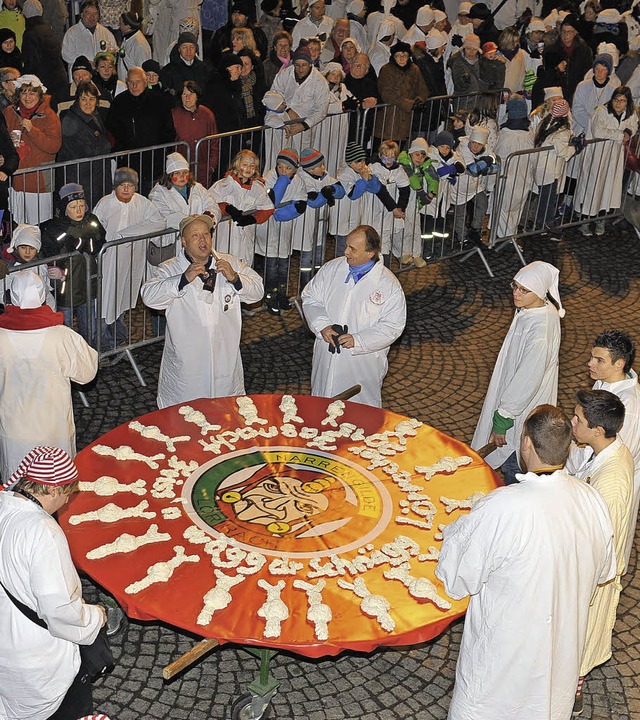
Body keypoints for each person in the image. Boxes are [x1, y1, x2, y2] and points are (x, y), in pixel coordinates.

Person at [436, 404, 616, 720]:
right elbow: (604, 570)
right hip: (558, 657)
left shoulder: (503, 507)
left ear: (527, 444)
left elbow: (456, 577)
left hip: (502, 665)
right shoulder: (592, 500)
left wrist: (456, 530)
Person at [0, 446, 106, 719]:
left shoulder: (4, 504)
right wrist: (96, 616)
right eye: (69, 492)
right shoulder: (44, 532)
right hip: (35, 658)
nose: (68, 500)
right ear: (54, 490)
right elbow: (59, 610)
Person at [140, 214, 264, 408]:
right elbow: (149, 296)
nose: (203, 240)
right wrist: (182, 279)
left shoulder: (228, 262)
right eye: (195, 236)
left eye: (206, 234)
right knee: (186, 419)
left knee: (226, 416)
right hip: (188, 365)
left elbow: (257, 292)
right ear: (183, 241)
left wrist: (235, 278)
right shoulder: (170, 268)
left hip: (225, 359)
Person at [566, 389, 634, 716]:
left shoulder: (612, 483)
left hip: (593, 578)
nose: (572, 422)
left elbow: (601, 545)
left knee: (579, 639)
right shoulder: (604, 451)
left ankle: (570, 696)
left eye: (577, 419)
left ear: (598, 430)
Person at [471, 261, 564, 482]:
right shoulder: (534, 310)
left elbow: (527, 379)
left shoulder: (540, 331)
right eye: (515, 286)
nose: (516, 293)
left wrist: (504, 418)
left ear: (540, 292)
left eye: (524, 290)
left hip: (519, 414)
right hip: (516, 405)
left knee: (515, 463)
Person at [0, 271, 98, 480]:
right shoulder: (62, 336)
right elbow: (87, 373)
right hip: (55, 431)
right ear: (43, 296)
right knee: (58, 487)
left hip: (14, 431)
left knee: (18, 487)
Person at [301, 224, 406, 407]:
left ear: (370, 253)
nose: (346, 252)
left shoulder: (388, 285)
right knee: (321, 406)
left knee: (358, 414)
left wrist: (358, 340)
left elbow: (392, 326)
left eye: (353, 249)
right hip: (326, 357)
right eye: (347, 246)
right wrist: (322, 325)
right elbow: (310, 297)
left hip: (361, 365)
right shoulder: (332, 269)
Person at [586, 330, 640, 570]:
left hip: (610, 480)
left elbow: (615, 452)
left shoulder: (629, 405)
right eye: (592, 357)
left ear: (619, 364)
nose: (590, 363)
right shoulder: (603, 383)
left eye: (599, 360)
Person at [40, 183, 106, 343]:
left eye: (82, 205)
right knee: (65, 330)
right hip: (65, 287)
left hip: (87, 283)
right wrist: (53, 268)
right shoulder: (54, 227)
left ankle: (89, 356)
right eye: (73, 206)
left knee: (89, 327)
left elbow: (97, 244)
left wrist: (78, 242)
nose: (79, 211)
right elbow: (49, 252)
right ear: (64, 208)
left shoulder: (92, 221)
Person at [576, 85, 638, 237]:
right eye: (616, 100)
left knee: (607, 188)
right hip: (597, 156)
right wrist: (620, 135)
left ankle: (600, 220)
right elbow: (599, 131)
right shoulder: (601, 112)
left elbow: (633, 125)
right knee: (592, 187)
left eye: (623, 101)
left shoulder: (629, 114)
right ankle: (585, 221)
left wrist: (628, 132)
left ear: (627, 102)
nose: (618, 104)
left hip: (613, 158)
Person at [106, 66, 176, 195]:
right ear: (126, 83)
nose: (134, 85)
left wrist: (163, 153)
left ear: (145, 82)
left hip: (154, 163)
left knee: (154, 199)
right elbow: (111, 129)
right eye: (131, 82)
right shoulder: (119, 102)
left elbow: (169, 131)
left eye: (137, 82)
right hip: (128, 163)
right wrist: (119, 151)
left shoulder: (159, 101)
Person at [3, 73, 61, 224]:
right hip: (15, 180)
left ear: (40, 94)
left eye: (32, 92)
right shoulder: (9, 112)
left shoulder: (49, 115)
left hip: (39, 182)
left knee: (39, 226)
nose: (27, 97)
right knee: (17, 224)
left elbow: (54, 146)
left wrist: (32, 130)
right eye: (23, 92)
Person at [208, 149, 274, 266]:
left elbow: (267, 208)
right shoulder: (222, 185)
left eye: (252, 166)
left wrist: (252, 219)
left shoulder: (258, 188)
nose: (248, 169)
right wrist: (226, 208)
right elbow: (209, 203)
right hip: (223, 238)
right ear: (237, 165)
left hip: (245, 240)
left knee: (243, 272)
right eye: (245, 165)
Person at [57, 80, 112, 208]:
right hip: (80, 178)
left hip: (97, 175)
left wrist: (102, 144)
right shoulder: (70, 121)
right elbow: (84, 152)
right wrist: (105, 145)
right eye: (83, 99)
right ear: (77, 100)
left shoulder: (95, 115)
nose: (88, 103)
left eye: (92, 99)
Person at [375, 40, 428, 144]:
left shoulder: (414, 69)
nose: (401, 59)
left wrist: (419, 100)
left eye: (404, 55)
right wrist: (410, 104)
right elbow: (387, 94)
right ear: (393, 56)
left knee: (401, 149)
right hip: (389, 118)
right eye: (398, 56)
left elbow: (422, 89)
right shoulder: (386, 70)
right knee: (386, 148)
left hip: (406, 120)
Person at [20, 0, 67, 107]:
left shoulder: (30, 33)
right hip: (57, 78)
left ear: (24, 13)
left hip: (43, 82)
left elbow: (30, 62)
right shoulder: (47, 29)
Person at [172, 80, 218, 186]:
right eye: (184, 94)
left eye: (191, 94)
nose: (187, 97)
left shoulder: (207, 114)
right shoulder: (174, 114)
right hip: (181, 170)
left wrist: (211, 166)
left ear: (197, 96)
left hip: (202, 168)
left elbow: (214, 141)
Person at [61, 0, 116, 81]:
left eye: (95, 14)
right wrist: (86, 63)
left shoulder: (106, 32)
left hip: (101, 80)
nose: (92, 17)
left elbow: (114, 49)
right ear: (81, 15)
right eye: (88, 13)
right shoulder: (72, 33)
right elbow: (66, 54)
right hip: (80, 79)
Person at [117, 11, 151, 82]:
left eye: (120, 24)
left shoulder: (139, 45)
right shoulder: (128, 38)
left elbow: (143, 70)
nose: (118, 26)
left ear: (128, 26)